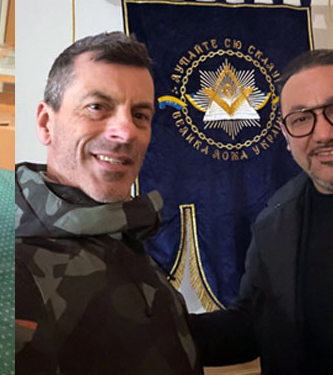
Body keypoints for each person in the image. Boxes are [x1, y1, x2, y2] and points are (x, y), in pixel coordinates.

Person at [14, 32, 199, 374]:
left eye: (140, 115)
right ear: (45, 123)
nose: (125, 132)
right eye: (97, 107)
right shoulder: (16, 268)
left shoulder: (120, 227)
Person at [189, 49, 333, 373]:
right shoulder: (274, 221)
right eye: (301, 119)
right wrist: (157, 331)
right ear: (286, 136)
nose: (323, 134)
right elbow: (250, 326)